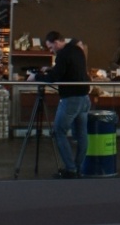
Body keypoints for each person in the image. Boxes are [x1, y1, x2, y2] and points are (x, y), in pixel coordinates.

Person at [29, 30, 90, 179]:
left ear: (56, 42)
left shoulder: (62, 54)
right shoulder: (77, 50)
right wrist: (50, 70)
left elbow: (55, 77)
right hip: (84, 97)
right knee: (82, 135)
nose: (51, 50)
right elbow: (69, 70)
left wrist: (36, 76)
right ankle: (78, 167)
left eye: (51, 47)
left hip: (71, 99)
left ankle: (70, 169)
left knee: (58, 132)